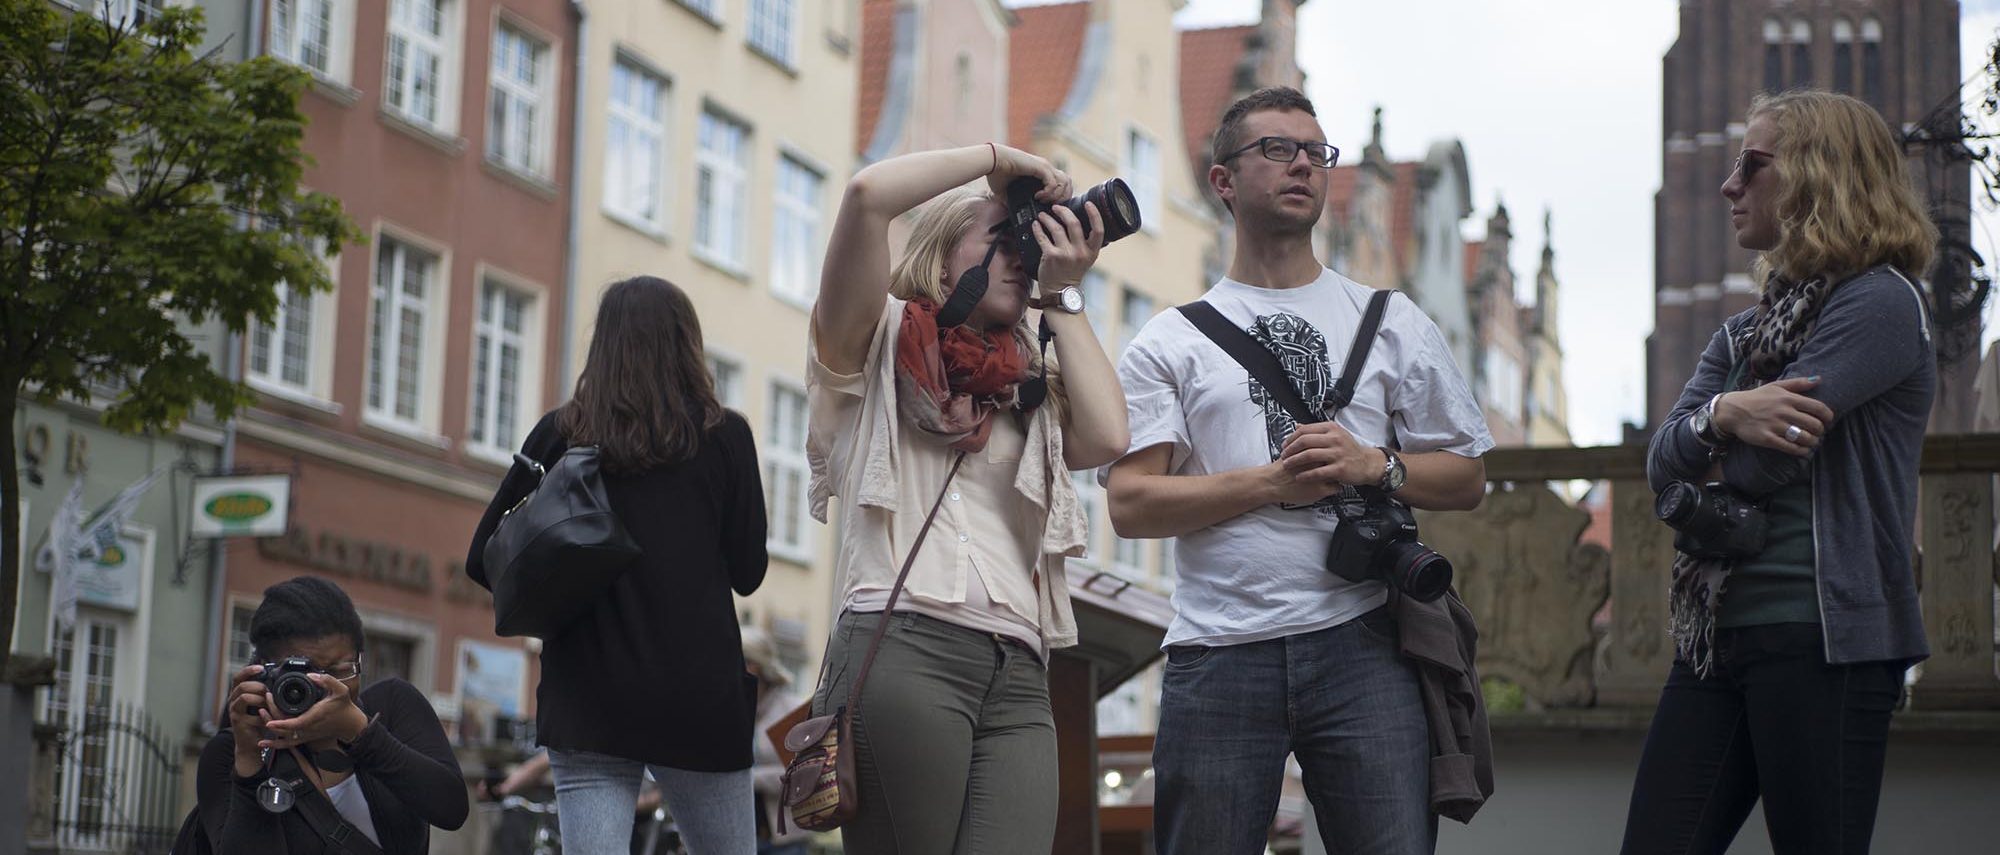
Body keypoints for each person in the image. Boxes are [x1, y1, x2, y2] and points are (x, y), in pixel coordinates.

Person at [1103, 86, 1493, 855]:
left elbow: (1469, 476)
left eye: (1316, 152)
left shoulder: (1391, 319)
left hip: (1366, 643)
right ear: (1223, 181)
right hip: (1218, 650)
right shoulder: (1170, 341)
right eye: (1277, 149)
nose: (1304, 166)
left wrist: (1375, 464)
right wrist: (1269, 484)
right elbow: (1130, 504)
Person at [1620, 89, 1936, 855]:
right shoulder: (1742, 331)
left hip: (1825, 639)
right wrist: (1724, 413)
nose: (1730, 185)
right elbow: (1661, 467)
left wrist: (1714, 433)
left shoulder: (1883, 303)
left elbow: (1765, 463)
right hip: (1716, 636)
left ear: (1818, 175)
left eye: (1752, 165)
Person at [807, 141, 1130, 853]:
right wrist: (994, 158)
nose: (1022, 253)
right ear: (944, 255)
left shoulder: (1032, 382)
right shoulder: (874, 336)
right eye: (1003, 237)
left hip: (1019, 665)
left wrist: (1061, 291)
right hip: (903, 642)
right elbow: (866, 196)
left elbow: (1109, 436)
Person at [467, 275, 770, 855]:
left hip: (588, 699)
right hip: (697, 700)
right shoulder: (725, 438)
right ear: (687, 344)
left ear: (602, 346)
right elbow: (748, 572)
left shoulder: (562, 434)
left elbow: (487, 554)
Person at [198, 575, 468, 853]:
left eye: (340, 670)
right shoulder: (232, 753)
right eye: (301, 676)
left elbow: (452, 809)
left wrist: (360, 733)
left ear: (360, 658)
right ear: (262, 670)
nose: (325, 686)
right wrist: (249, 763)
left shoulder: (392, 708)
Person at [741, 627, 810, 855]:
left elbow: (802, 773)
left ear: (755, 666)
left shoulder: (791, 710)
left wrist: (748, 778)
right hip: (738, 836)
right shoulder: (731, 709)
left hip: (784, 841)